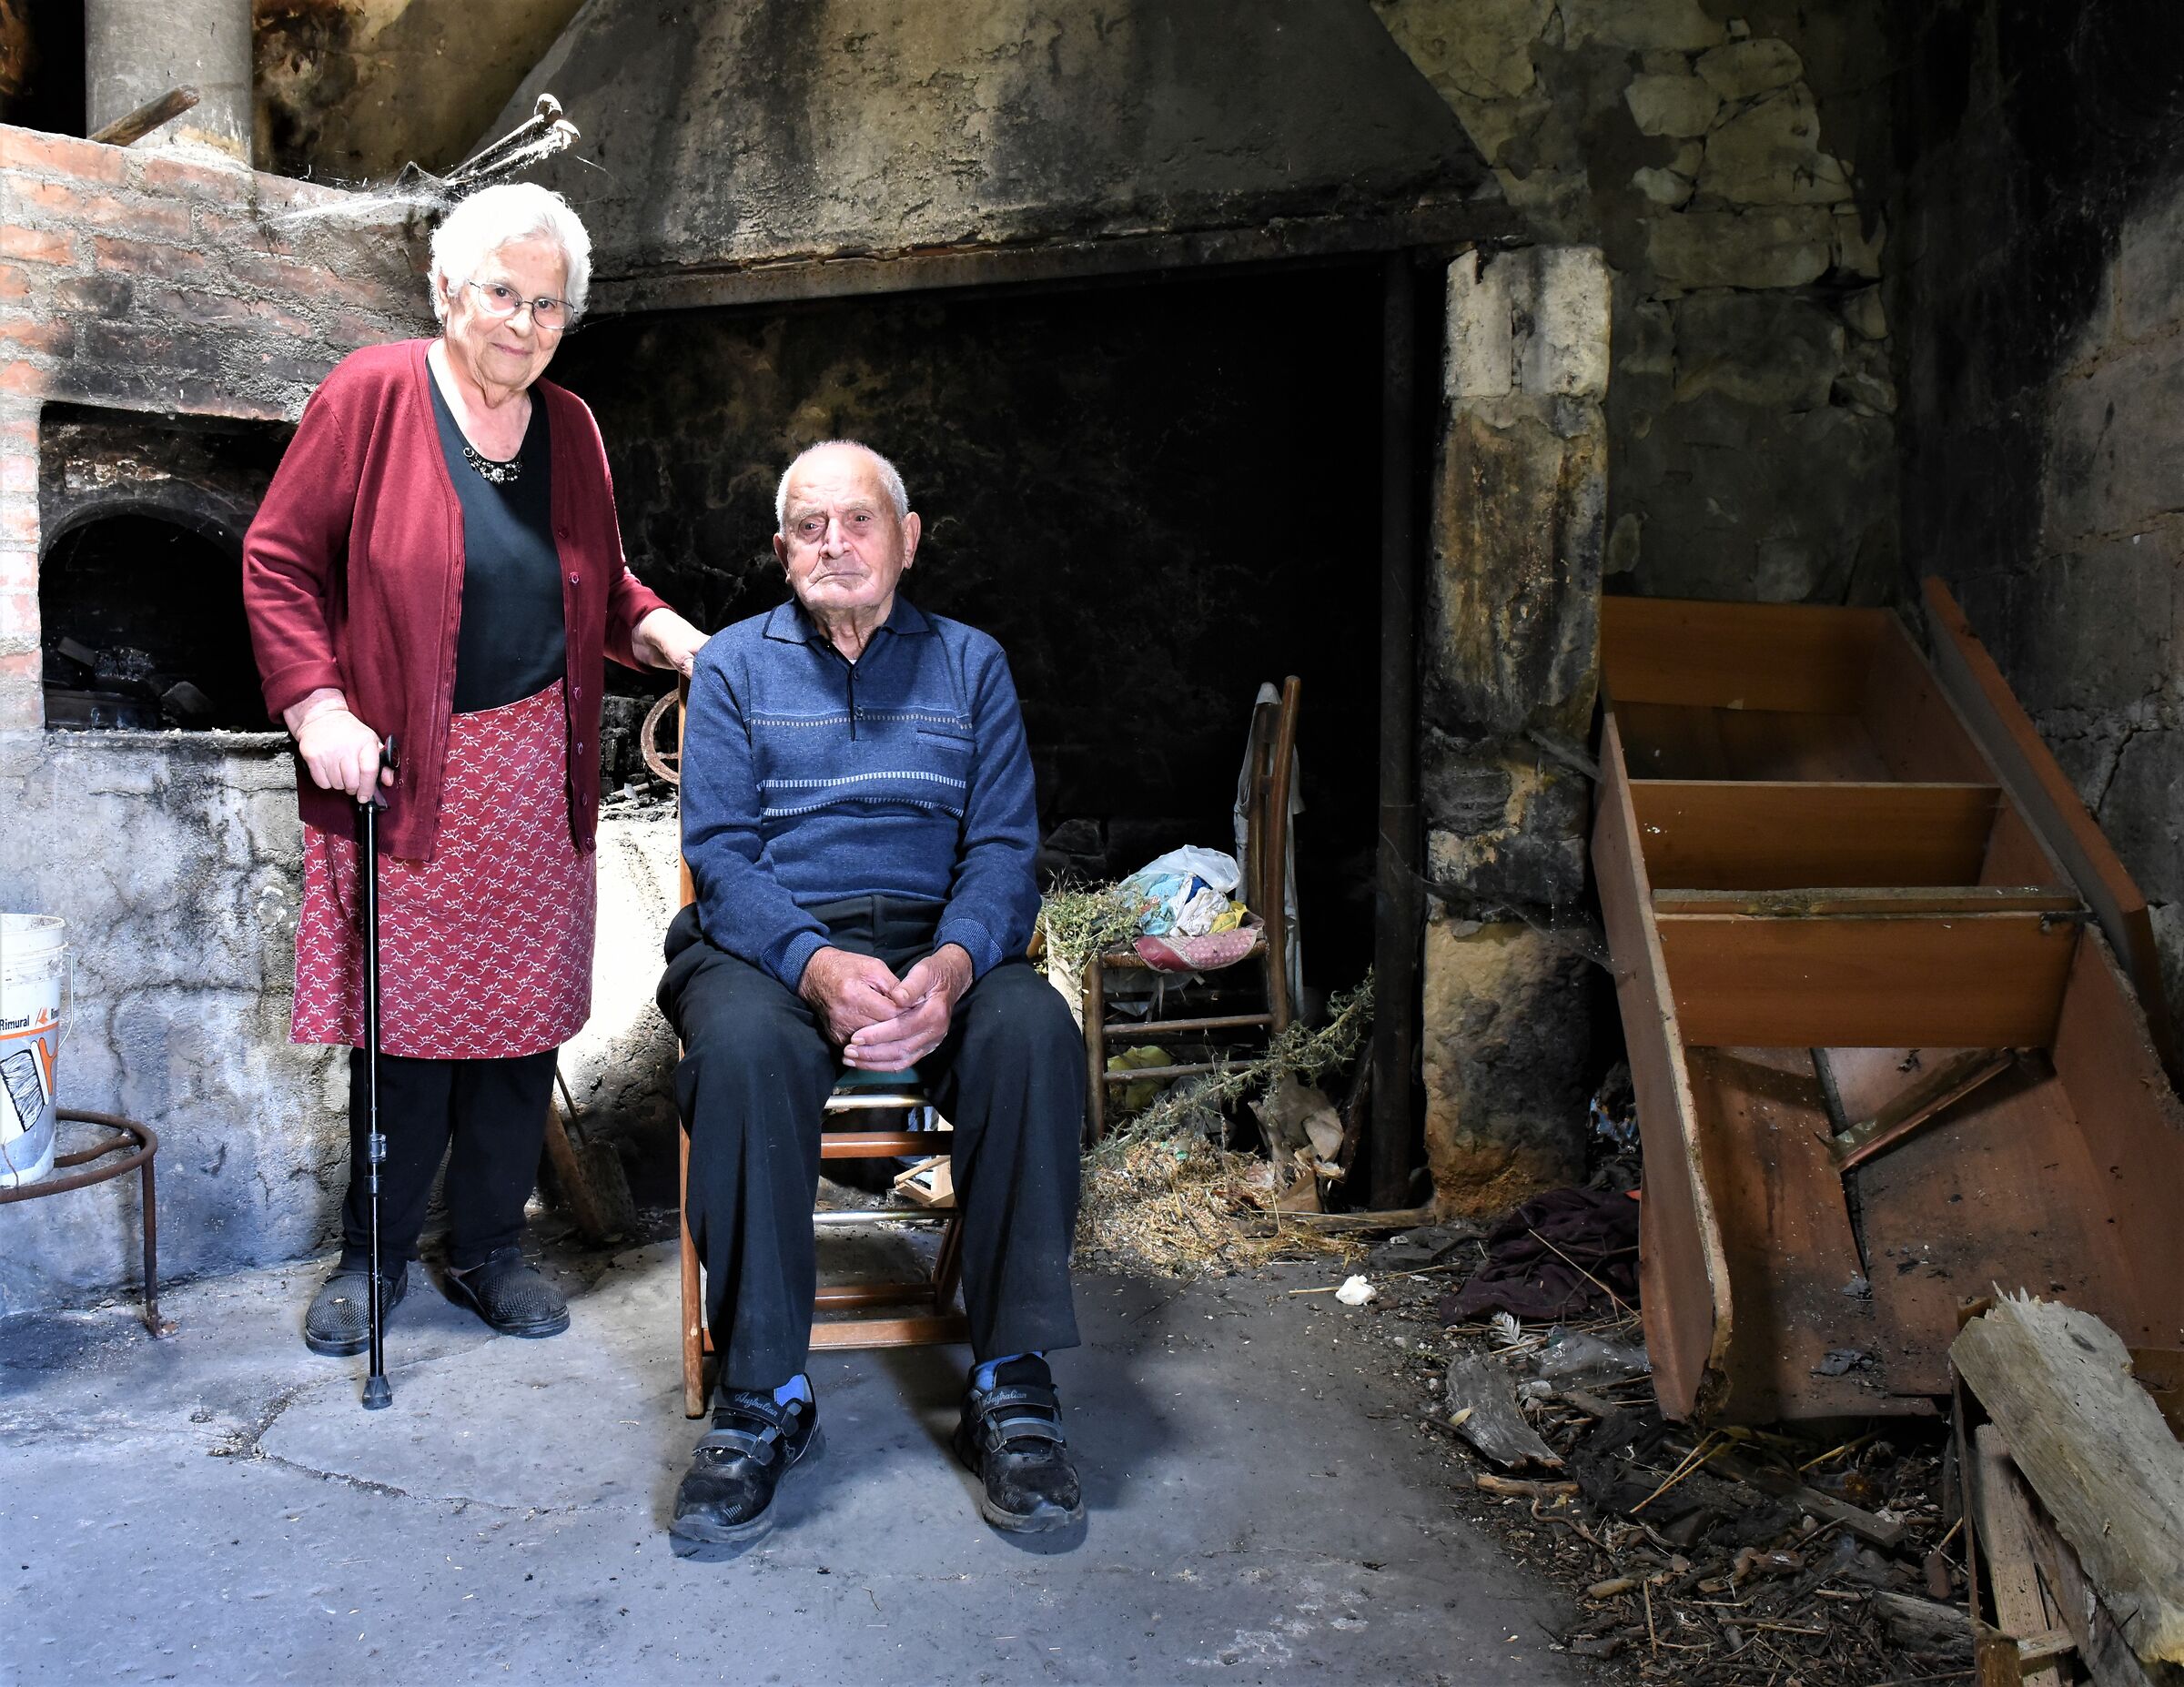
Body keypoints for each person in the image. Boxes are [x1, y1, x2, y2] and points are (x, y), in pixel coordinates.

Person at [244, 182, 708, 1358]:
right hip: (410, 771)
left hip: (537, 772)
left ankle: (492, 1250)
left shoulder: (573, 430)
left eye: (547, 303)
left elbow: (602, 585)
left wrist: (675, 641)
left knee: (518, 1038)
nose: (524, 320)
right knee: (401, 1043)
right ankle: (375, 1256)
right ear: (447, 289)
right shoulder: (373, 396)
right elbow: (278, 560)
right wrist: (318, 708)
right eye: (503, 291)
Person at [659, 441, 1086, 1550]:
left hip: (933, 938)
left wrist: (953, 965)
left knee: (1033, 1029)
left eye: (859, 522)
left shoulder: (970, 665)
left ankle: (1011, 1380)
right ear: (781, 549)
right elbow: (723, 855)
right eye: (810, 526)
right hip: (769, 949)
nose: (835, 544)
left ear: (907, 538)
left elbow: (1001, 847)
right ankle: (764, 1395)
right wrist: (813, 963)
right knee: (745, 1054)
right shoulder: (736, 671)